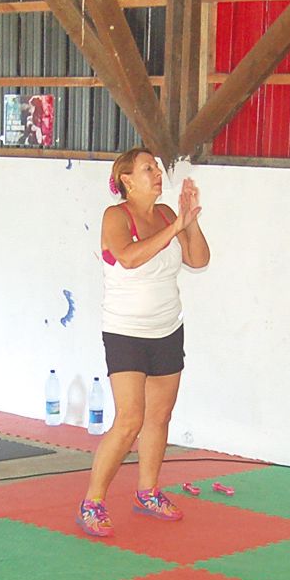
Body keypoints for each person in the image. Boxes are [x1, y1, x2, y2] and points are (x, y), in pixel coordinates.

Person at [76, 149, 209, 537]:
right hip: (125, 331)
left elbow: (198, 259)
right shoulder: (115, 216)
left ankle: (147, 491)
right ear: (127, 180)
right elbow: (130, 258)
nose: (157, 174)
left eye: (157, 167)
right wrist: (173, 229)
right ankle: (92, 501)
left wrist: (189, 223)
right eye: (147, 168)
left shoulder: (168, 214)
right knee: (130, 417)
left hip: (167, 327)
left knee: (159, 416)